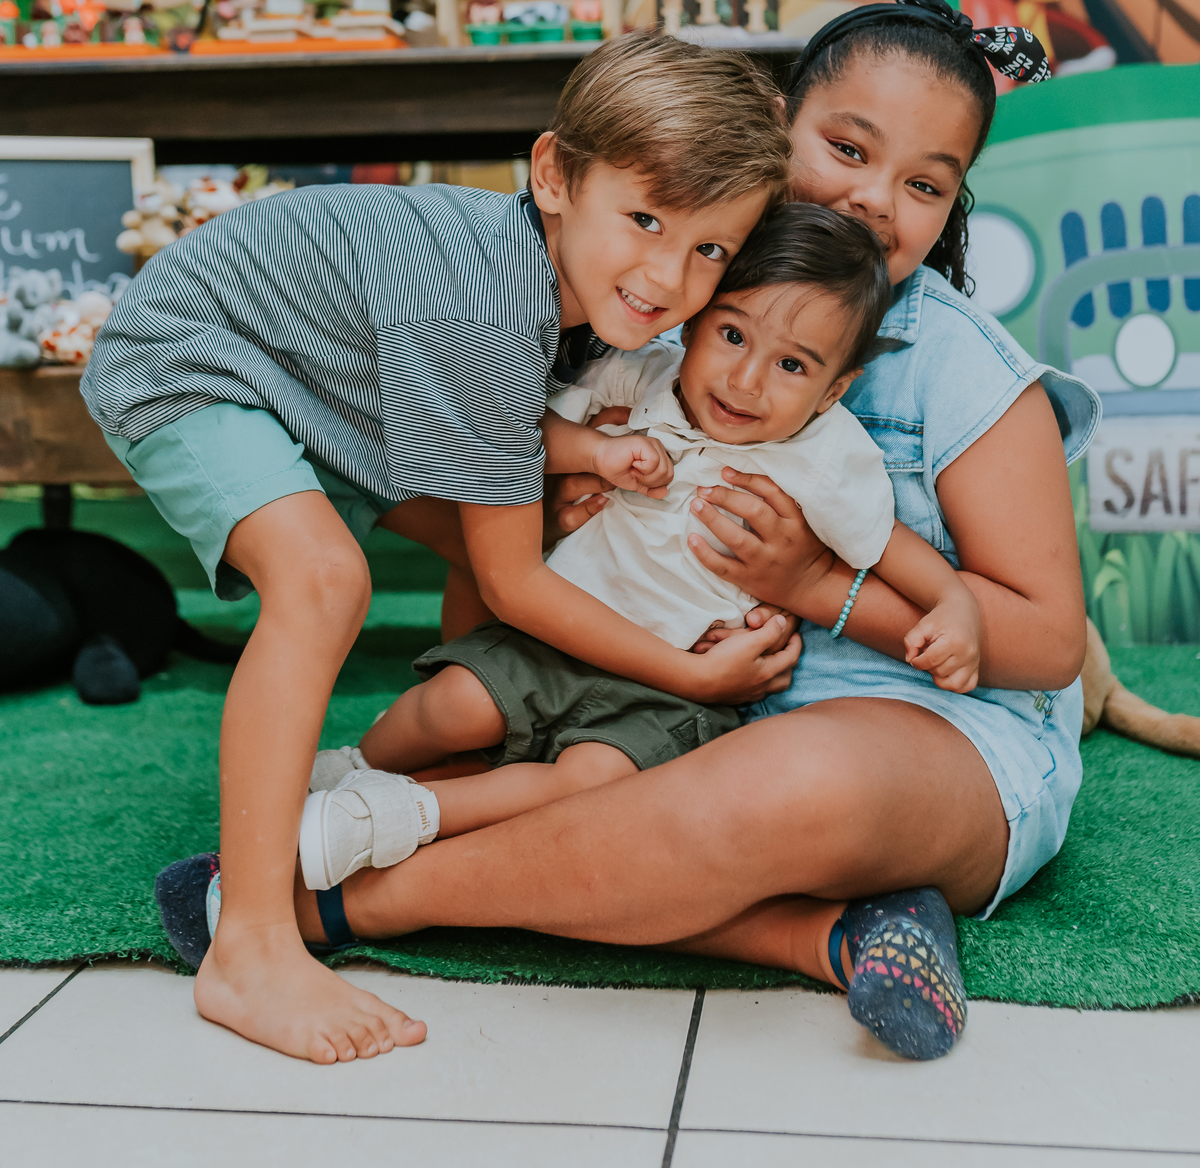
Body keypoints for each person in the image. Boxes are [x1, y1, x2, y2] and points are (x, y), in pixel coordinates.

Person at [262, 0, 1099, 1065]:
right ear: (776, 127)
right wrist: (565, 500)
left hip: (921, 744)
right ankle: (835, 935)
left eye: (925, 185)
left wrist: (817, 588)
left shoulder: (964, 373)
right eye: (846, 149)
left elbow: (1047, 646)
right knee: (519, 753)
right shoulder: (669, 293)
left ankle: (350, 904)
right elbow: (505, 492)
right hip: (671, 696)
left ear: (952, 205)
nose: (872, 200)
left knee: (788, 787)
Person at [83, 32, 799, 1065]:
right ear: (553, 177)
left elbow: (500, 462)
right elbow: (515, 586)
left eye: (710, 250)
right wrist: (692, 671)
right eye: (644, 219)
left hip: (314, 390)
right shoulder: (484, 305)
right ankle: (246, 945)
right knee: (327, 582)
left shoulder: (561, 288)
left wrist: (585, 453)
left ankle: (458, 757)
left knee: (506, 531)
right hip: (190, 358)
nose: (668, 276)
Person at [294, 203, 982, 895]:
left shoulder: (825, 457)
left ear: (834, 389)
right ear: (694, 322)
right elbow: (525, 442)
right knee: (451, 705)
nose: (746, 381)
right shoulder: (644, 377)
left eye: (793, 364)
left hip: (670, 688)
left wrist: (951, 601)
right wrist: (599, 448)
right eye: (733, 334)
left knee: (591, 783)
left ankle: (407, 813)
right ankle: (352, 766)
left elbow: (887, 546)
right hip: (562, 629)